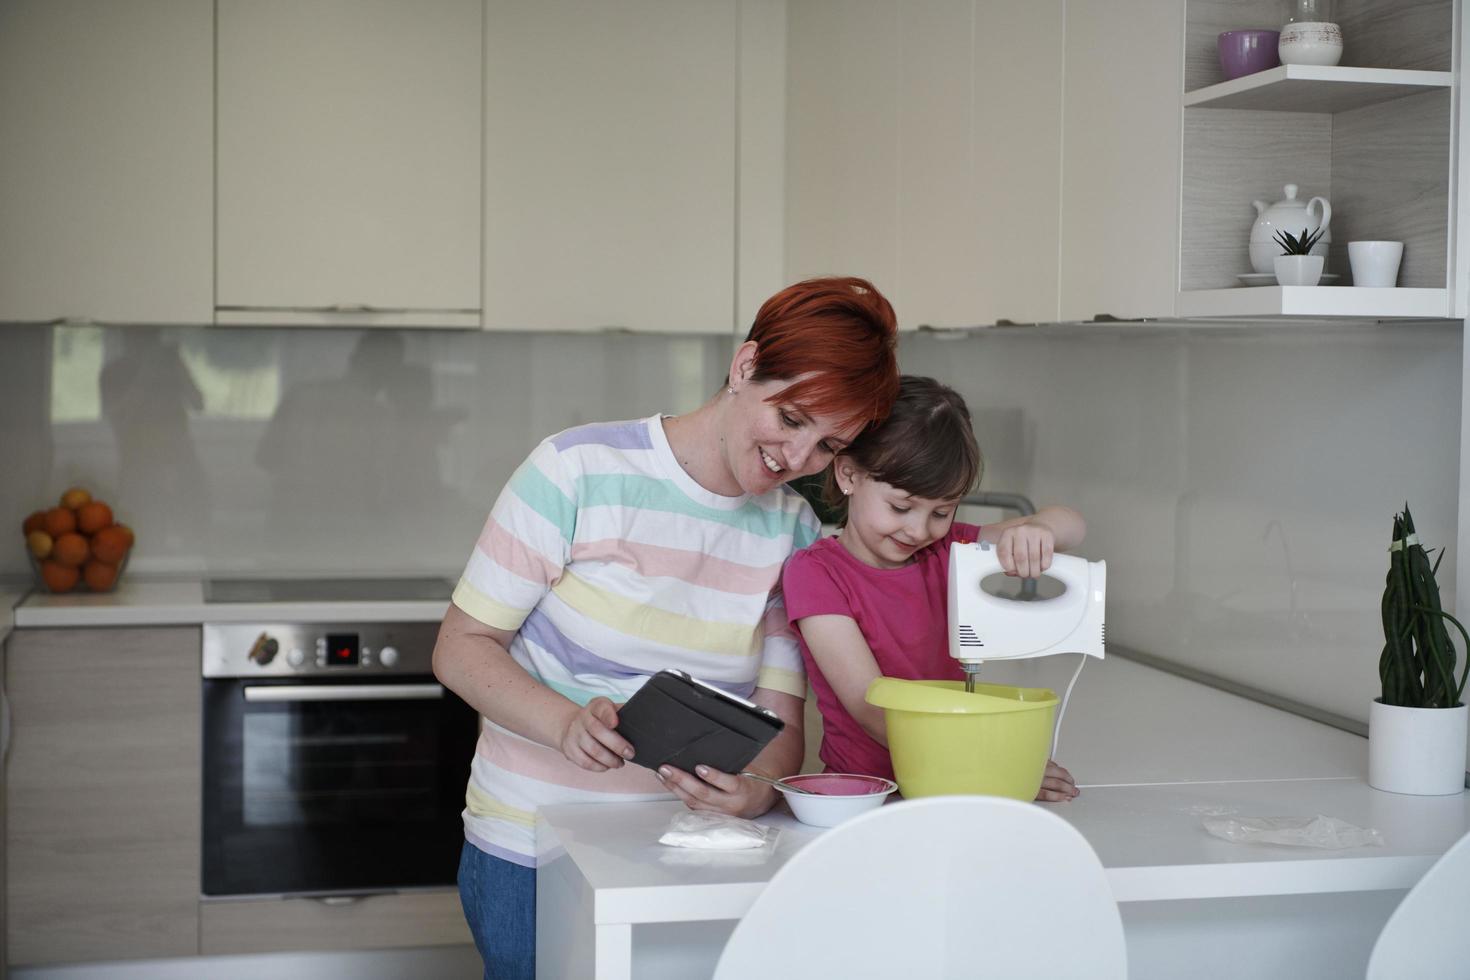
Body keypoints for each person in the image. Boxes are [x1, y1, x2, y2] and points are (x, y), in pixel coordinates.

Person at [432, 277, 901, 980]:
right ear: (745, 367)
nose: (799, 460)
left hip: (690, 858)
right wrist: (565, 724)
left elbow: (780, 721)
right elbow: (461, 650)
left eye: (829, 444)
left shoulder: (793, 528)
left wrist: (761, 788)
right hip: (533, 851)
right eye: (793, 418)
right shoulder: (576, 471)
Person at [781, 375, 1086, 803]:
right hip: (869, 794)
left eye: (942, 511)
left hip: (955, 783)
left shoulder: (949, 550)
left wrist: (1037, 529)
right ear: (849, 474)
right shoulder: (814, 573)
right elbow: (872, 709)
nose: (919, 529)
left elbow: (1072, 524)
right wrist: (993, 766)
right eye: (901, 507)